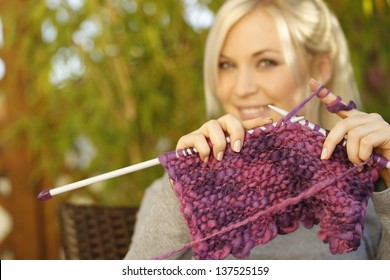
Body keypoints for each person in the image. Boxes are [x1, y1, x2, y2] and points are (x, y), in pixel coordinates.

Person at [125, 0, 390, 259]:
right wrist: (188, 188)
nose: (242, 88)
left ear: (320, 66)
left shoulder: (369, 185)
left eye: (266, 62)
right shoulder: (173, 191)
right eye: (226, 65)